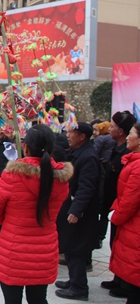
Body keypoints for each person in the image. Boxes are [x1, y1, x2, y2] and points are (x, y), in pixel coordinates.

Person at [0, 124, 72, 304]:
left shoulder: (13, 175)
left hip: (14, 250)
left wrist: (11, 220)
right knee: (39, 300)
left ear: (25, 147)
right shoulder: (61, 179)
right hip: (44, 250)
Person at [55, 122, 100, 301]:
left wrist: (76, 210)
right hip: (73, 208)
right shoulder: (77, 153)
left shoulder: (88, 157)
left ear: (82, 136)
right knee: (71, 247)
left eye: (72, 132)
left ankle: (79, 288)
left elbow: (86, 187)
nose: (68, 135)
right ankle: (74, 280)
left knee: (76, 249)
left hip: (81, 213)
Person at [99, 111, 136, 298]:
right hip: (113, 203)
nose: (110, 129)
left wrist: (118, 211)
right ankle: (118, 277)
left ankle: (126, 284)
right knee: (116, 243)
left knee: (124, 246)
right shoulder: (116, 148)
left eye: (112, 127)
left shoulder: (130, 155)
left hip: (121, 207)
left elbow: (131, 192)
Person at [109, 122, 140, 304]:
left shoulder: (138, 166)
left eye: (131, 133)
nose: (128, 137)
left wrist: (116, 216)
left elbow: (130, 200)